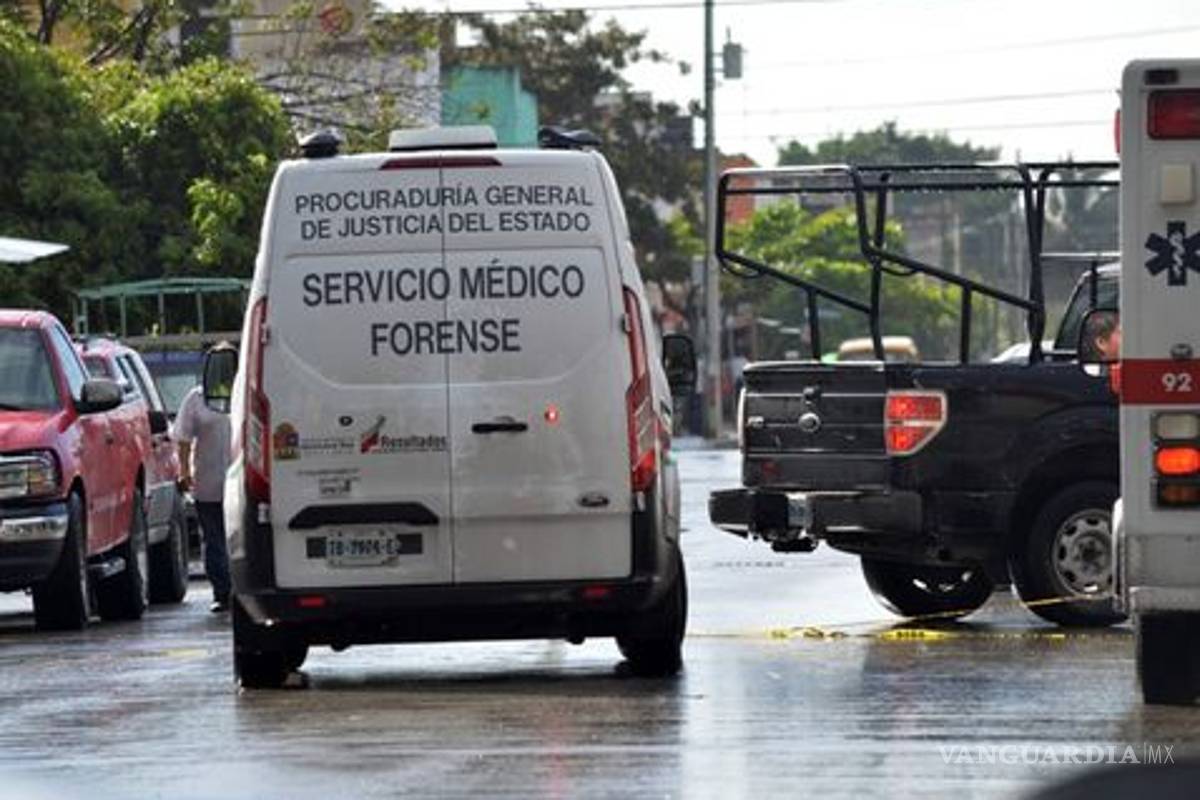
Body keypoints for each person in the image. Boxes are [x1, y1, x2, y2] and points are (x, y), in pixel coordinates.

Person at [174, 343, 236, 613]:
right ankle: (222, 592)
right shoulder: (196, 399)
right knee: (214, 539)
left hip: (241, 483)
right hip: (208, 483)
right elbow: (184, 439)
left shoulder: (247, 392)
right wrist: (185, 472)